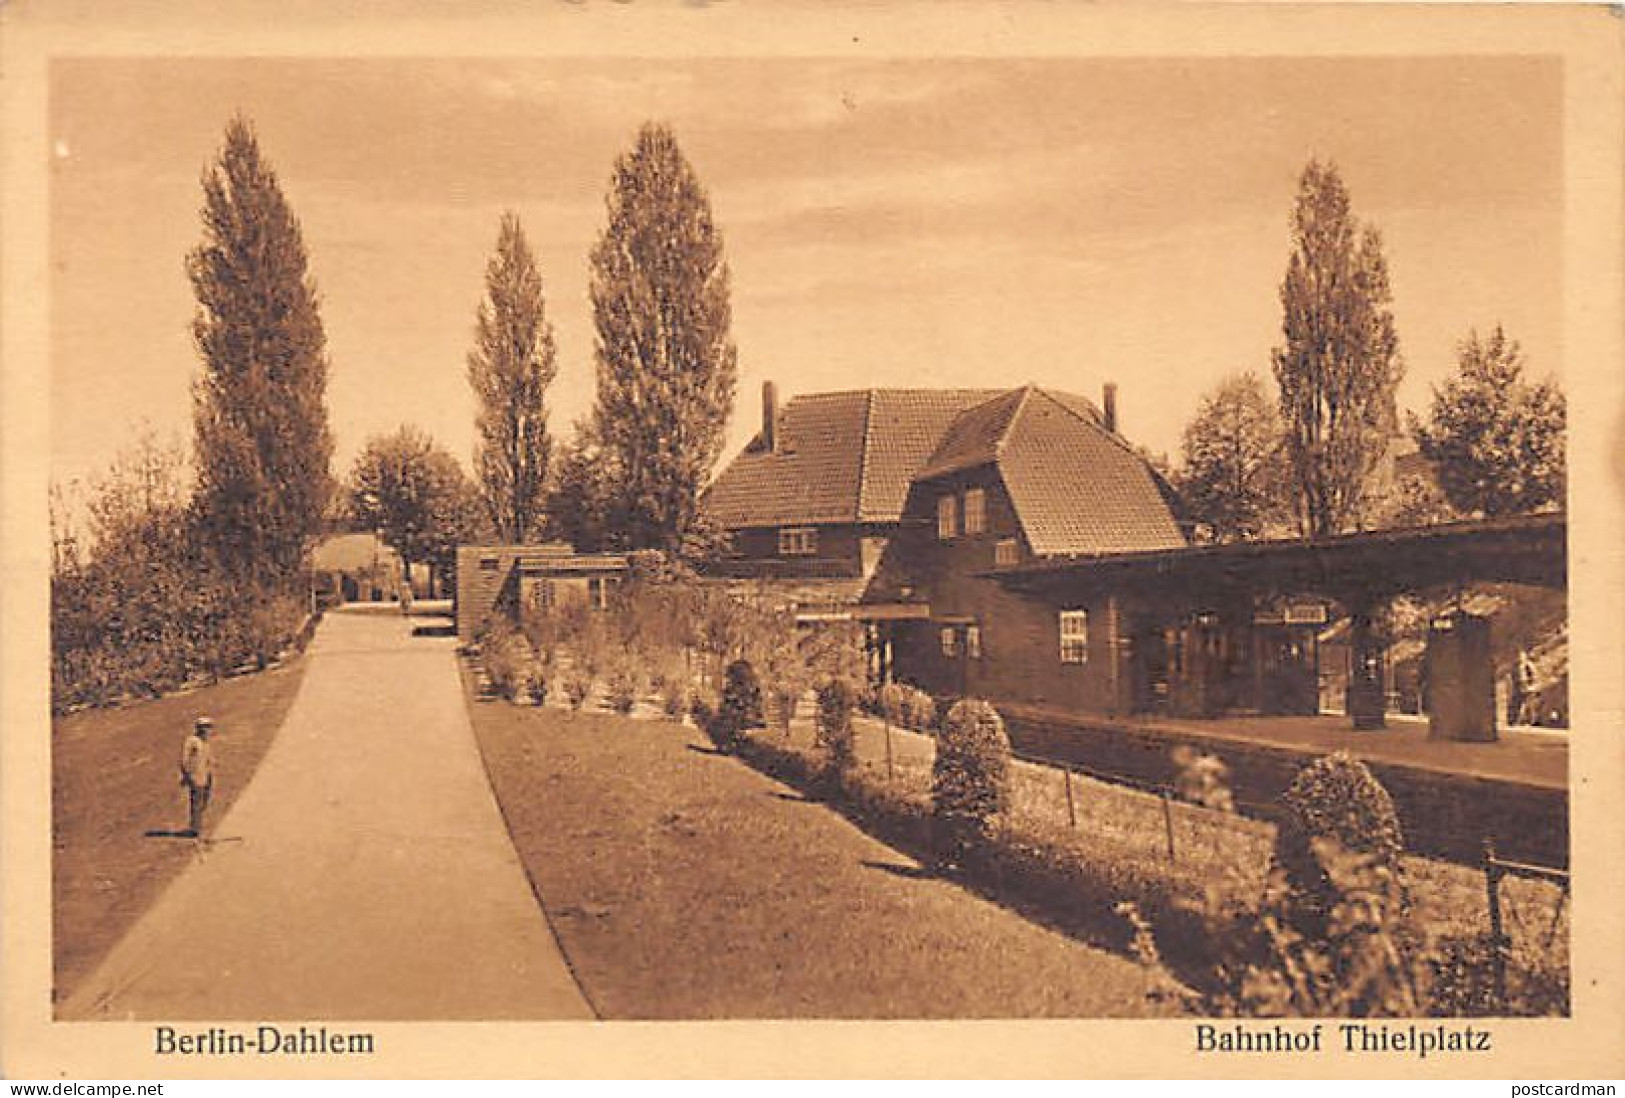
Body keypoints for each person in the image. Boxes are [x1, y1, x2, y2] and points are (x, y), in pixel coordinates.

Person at [179, 716, 215, 837]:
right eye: (205, 727)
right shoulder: (192, 741)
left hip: (206, 775)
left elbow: (207, 758)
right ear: (199, 728)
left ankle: (197, 825)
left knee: (205, 800)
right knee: (196, 802)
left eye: (209, 727)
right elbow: (185, 760)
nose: (208, 730)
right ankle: (195, 829)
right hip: (196, 776)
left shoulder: (205, 742)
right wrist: (187, 775)